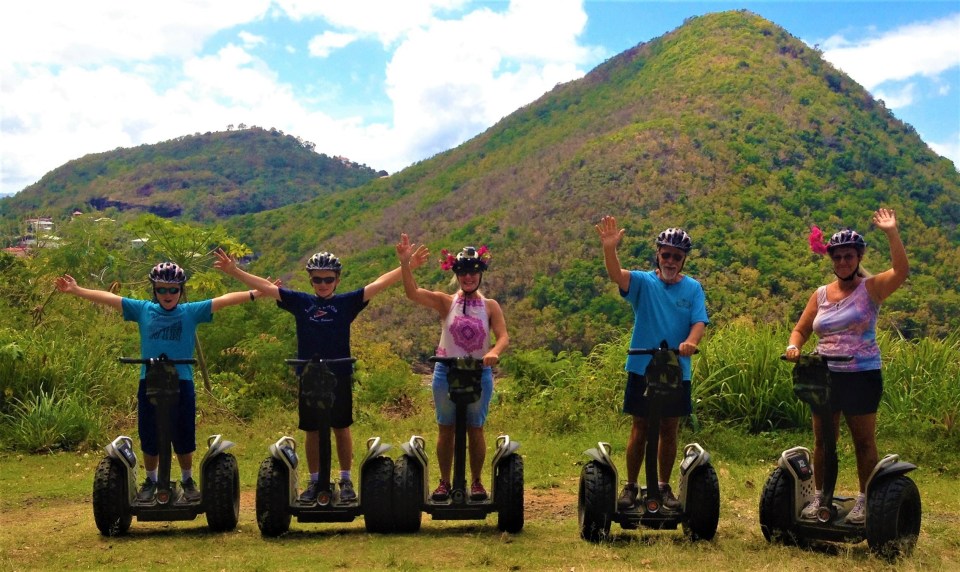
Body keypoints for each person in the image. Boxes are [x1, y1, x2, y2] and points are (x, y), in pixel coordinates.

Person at [214, 246, 427, 503]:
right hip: (310, 376)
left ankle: (346, 479)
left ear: (337, 279)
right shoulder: (302, 302)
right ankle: (314, 481)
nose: (323, 284)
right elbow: (267, 288)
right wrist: (234, 271)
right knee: (312, 429)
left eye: (328, 279)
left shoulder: (346, 303)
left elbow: (378, 283)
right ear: (310, 280)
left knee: (341, 426)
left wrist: (408, 265)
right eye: (317, 279)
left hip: (338, 374)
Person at [54, 262, 264, 503]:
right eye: (162, 290)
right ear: (154, 290)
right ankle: (151, 480)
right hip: (150, 382)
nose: (167, 295)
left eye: (173, 290)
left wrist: (255, 293)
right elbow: (110, 298)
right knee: (149, 433)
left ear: (181, 291)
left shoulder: (190, 312)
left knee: (184, 433)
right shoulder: (144, 310)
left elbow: (224, 300)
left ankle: (187, 479)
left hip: (182, 382)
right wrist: (77, 290)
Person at [785, 208, 908, 524]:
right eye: (837, 257)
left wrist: (892, 232)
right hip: (824, 377)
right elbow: (801, 329)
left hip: (861, 375)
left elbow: (901, 270)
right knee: (824, 440)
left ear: (858, 257)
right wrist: (794, 346)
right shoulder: (821, 294)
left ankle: (866, 500)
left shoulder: (871, 289)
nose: (842, 262)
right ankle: (821, 498)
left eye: (848, 256)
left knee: (863, 441)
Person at [595, 216, 708, 511]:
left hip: (675, 370)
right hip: (642, 367)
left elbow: (699, 322)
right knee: (640, 427)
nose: (671, 261)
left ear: (683, 260)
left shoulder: (693, 288)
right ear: (658, 255)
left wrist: (691, 342)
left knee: (669, 428)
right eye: (666, 255)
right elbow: (617, 275)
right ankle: (631, 486)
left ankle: (663, 486)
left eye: (677, 257)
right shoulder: (644, 282)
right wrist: (610, 249)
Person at [394, 234, 509, 501]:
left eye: (473, 272)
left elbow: (503, 336)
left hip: (479, 372)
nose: (468, 277)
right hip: (446, 370)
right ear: (456, 275)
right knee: (445, 427)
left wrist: (493, 352)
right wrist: (405, 264)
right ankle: (444, 482)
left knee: (475, 427)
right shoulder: (446, 302)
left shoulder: (490, 306)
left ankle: (478, 482)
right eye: (463, 273)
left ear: (480, 274)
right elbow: (412, 293)